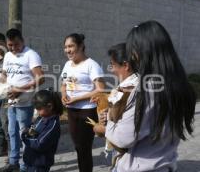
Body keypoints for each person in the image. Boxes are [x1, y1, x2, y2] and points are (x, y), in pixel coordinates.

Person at [105, 21, 196, 172]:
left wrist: (108, 124)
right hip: (165, 163)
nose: (131, 56)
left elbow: (122, 139)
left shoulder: (147, 90)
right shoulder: (180, 85)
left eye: (132, 50)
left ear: (141, 52)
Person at [0, 28, 44, 172]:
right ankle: (13, 162)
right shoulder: (8, 56)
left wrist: (20, 89)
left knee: (24, 133)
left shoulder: (31, 55)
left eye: (16, 44)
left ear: (22, 41)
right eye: (10, 45)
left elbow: (41, 78)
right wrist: (1, 84)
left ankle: (26, 165)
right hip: (11, 101)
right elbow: (5, 75)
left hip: (25, 101)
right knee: (12, 131)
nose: (13, 48)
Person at [60, 33, 105, 172]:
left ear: (80, 46)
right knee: (78, 147)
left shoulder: (91, 65)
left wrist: (77, 99)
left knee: (84, 147)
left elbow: (101, 89)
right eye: (65, 47)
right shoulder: (68, 64)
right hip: (72, 110)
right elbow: (63, 83)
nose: (68, 50)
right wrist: (63, 95)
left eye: (71, 46)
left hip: (87, 110)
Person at [21, 89, 63, 172]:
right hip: (30, 161)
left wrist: (24, 137)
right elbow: (33, 128)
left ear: (50, 106)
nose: (37, 112)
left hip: (39, 165)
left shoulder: (53, 125)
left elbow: (39, 144)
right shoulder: (42, 117)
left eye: (39, 109)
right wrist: (28, 130)